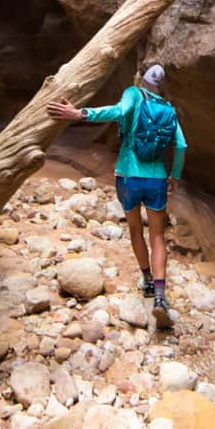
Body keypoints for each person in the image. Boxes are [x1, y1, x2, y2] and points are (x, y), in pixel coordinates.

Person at [47, 62, 187, 328]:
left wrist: (80, 114)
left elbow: (118, 111)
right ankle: (159, 297)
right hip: (157, 178)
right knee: (157, 236)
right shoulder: (169, 109)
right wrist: (175, 176)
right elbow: (181, 145)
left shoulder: (133, 94)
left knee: (135, 230)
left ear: (141, 79)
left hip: (128, 175)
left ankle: (146, 279)